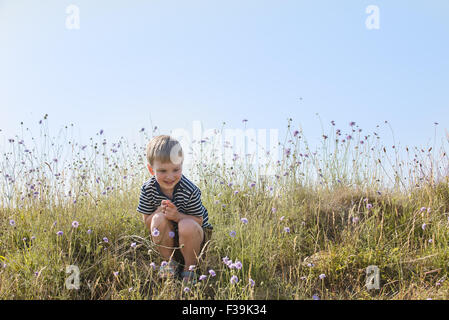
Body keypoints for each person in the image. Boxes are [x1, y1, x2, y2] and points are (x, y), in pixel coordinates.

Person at [136, 135, 212, 283]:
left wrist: (177, 216)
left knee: (187, 225)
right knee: (158, 219)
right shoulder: (147, 189)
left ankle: (190, 269)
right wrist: (159, 211)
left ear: (182, 166)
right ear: (151, 170)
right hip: (168, 240)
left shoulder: (189, 190)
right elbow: (147, 222)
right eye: (163, 171)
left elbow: (199, 221)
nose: (170, 176)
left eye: (176, 169)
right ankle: (169, 263)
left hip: (195, 240)